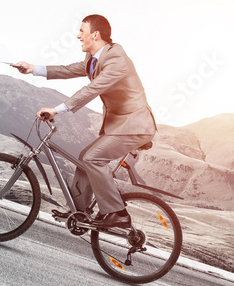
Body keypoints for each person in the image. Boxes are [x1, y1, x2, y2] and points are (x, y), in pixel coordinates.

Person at [12, 14, 156, 229]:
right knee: (84, 160)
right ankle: (78, 213)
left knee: (93, 159)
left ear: (95, 34)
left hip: (135, 126)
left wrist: (56, 110)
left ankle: (118, 213)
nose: (78, 35)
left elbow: (93, 89)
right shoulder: (95, 59)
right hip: (119, 126)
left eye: (82, 31)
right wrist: (33, 68)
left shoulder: (117, 60)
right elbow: (69, 70)